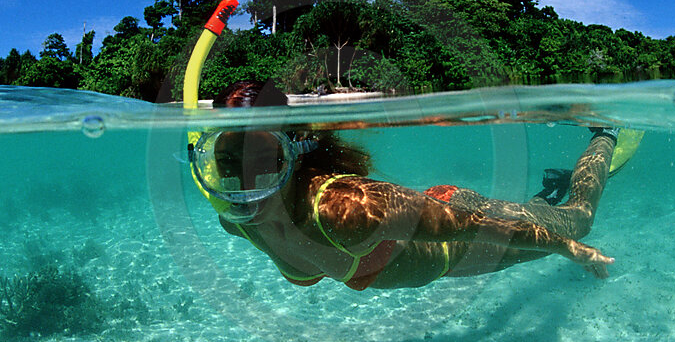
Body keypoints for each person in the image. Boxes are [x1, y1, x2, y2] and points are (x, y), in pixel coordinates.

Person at [189, 80, 618, 291]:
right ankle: (546, 194)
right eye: (226, 163)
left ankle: (606, 134)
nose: (244, 187)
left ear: (293, 154)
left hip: (459, 244)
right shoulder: (236, 221)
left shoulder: (345, 210)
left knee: (578, 221)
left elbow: (473, 225)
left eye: (264, 163)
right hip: (437, 233)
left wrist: (567, 249)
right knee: (550, 217)